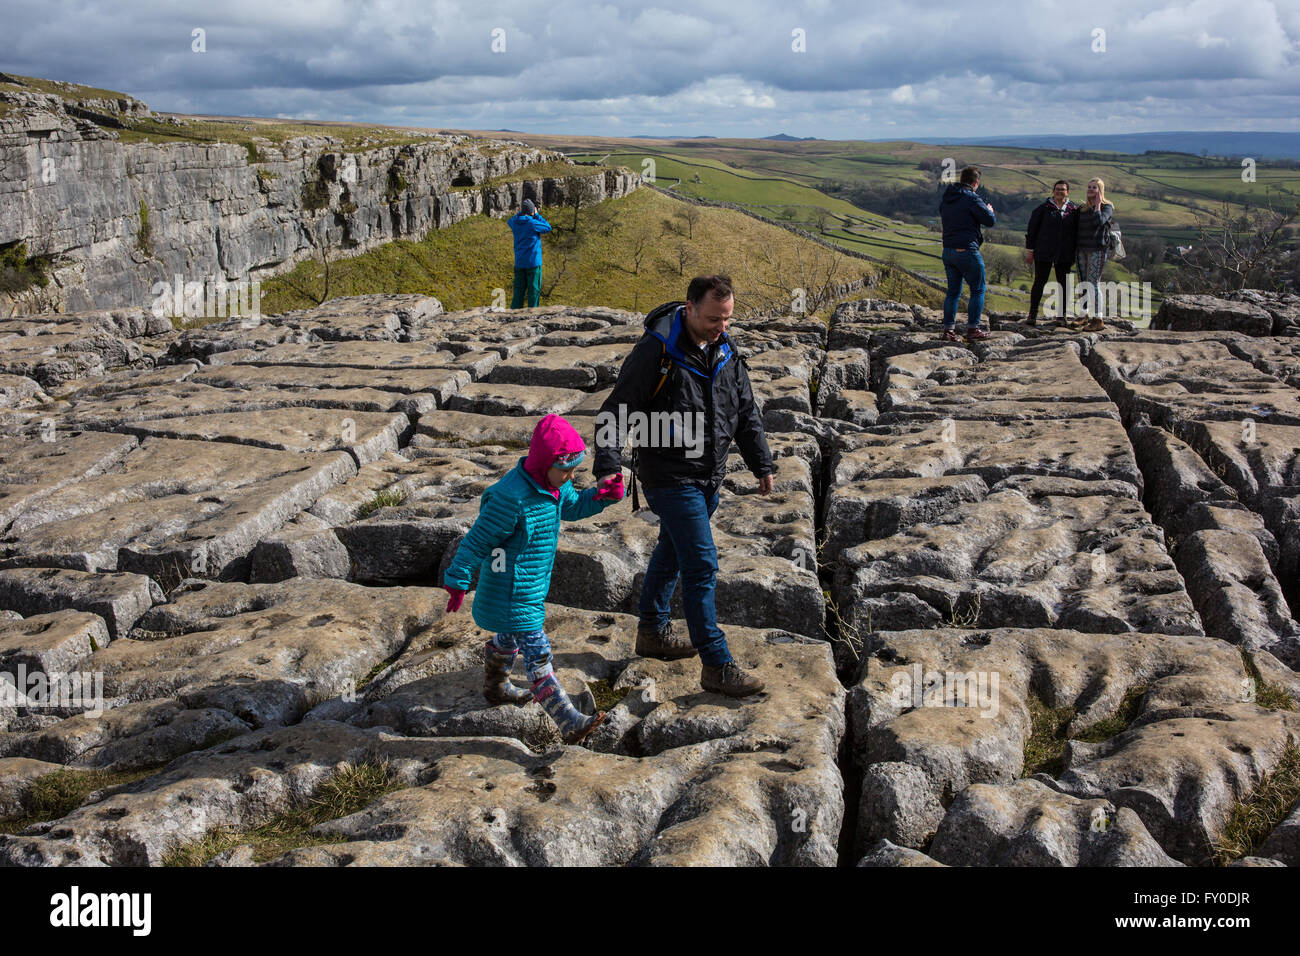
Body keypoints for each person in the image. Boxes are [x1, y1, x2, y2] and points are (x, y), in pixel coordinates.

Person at [593, 275, 774, 698]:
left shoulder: (727, 349)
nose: (721, 327)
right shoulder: (656, 352)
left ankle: (652, 632)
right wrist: (607, 465)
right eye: (713, 318)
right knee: (701, 564)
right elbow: (617, 408)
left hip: (710, 474)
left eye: (727, 319)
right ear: (689, 308)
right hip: (669, 476)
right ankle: (716, 663)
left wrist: (761, 462)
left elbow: (745, 410)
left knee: (671, 552)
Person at [443, 413, 625, 746]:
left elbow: (571, 506)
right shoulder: (510, 498)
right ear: (544, 463)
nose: (571, 477)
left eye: (574, 470)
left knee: (508, 638)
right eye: (566, 470)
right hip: (512, 589)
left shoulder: (554, 483)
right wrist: (458, 579)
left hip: (530, 584)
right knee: (538, 654)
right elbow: (477, 541)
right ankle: (568, 721)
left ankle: (495, 686)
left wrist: (601, 497)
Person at [939, 166, 995, 342]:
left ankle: (948, 331)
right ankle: (973, 329)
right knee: (978, 289)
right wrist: (990, 210)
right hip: (966, 249)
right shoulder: (971, 198)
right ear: (976, 182)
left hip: (948, 249)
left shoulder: (948, 197)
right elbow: (989, 221)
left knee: (953, 292)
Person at [1024, 180, 1077, 324]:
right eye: (1057, 189)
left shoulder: (1073, 210)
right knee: (1039, 282)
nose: (1060, 191)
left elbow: (1077, 233)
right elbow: (1032, 231)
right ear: (1053, 191)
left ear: (1067, 192)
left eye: (1063, 189)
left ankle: (1061, 316)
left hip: (1065, 253)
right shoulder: (1042, 209)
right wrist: (1030, 251)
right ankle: (1032, 315)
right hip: (1043, 251)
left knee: (1064, 284)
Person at [1071, 178, 1114, 332]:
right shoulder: (1081, 208)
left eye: (1094, 187)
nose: (1090, 190)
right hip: (1081, 249)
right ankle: (1083, 315)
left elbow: (1100, 222)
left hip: (1097, 249)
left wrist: (1097, 206)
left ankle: (1098, 319)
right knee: (1082, 282)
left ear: (1100, 190)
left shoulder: (1107, 207)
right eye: (1089, 187)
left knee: (1093, 283)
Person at [507, 198, 551, 308]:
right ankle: (532, 313)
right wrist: (536, 215)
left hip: (519, 262)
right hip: (533, 263)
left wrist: (523, 212)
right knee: (533, 291)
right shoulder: (532, 223)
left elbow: (511, 220)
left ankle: (514, 313)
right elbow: (547, 227)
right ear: (531, 211)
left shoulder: (514, 223)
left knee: (518, 291)